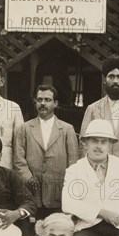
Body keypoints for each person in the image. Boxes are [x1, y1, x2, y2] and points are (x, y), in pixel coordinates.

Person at [14, 84, 79, 219]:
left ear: (55, 103)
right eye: (39, 100)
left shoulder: (67, 129)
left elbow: (73, 163)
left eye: (47, 100)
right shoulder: (25, 128)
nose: (43, 103)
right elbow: (18, 159)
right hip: (33, 191)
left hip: (58, 192)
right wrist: (28, 177)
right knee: (33, 231)